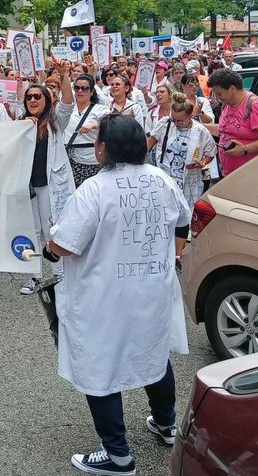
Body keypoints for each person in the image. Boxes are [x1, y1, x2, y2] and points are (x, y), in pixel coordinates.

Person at [46, 114, 191, 476]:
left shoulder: (95, 189)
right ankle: (167, 424)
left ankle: (118, 455)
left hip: (105, 296)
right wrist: (174, 253)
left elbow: (64, 245)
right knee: (153, 353)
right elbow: (183, 220)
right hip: (152, 289)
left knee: (99, 364)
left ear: (103, 149)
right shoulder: (161, 179)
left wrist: (48, 247)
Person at [18, 78, 75, 295]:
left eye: (37, 96)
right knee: (31, 232)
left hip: (50, 187)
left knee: (52, 231)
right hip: (28, 188)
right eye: (29, 97)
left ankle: (59, 274)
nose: (32, 100)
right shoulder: (19, 123)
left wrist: (63, 74)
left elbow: (68, 102)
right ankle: (33, 275)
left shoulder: (55, 122)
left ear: (46, 100)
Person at [147, 93, 216, 257]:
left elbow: (210, 152)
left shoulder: (200, 131)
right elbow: (149, 143)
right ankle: (162, 246)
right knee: (163, 212)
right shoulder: (165, 124)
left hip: (189, 180)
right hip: (165, 177)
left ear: (190, 115)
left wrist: (203, 163)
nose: (177, 123)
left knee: (184, 214)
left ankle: (179, 252)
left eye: (181, 120)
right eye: (174, 119)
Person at [205, 69, 258, 177]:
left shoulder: (255, 106)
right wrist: (200, 127)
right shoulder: (227, 104)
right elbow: (224, 129)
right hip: (229, 173)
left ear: (232, 89)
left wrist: (245, 149)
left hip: (250, 175)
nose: (218, 98)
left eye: (219, 94)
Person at [63, 74, 107, 187]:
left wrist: (95, 126)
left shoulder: (100, 109)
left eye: (84, 88)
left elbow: (113, 125)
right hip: (71, 161)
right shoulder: (68, 110)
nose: (80, 91)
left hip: (93, 162)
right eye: (77, 88)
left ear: (91, 91)